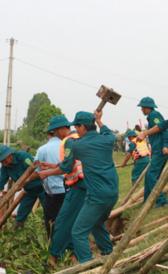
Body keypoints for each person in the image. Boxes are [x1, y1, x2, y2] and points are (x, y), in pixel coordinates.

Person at [41, 111, 117, 263]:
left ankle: (87, 265)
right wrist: (100, 120)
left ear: (82, 126)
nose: (75, 129)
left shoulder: (76, 144)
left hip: (96, 195)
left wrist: (47, 173)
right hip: (113, 193)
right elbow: (107, 132)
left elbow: (67, 168)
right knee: (97, 223)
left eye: (76, 126)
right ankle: (108, 253)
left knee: (78, 232)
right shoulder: (108, 140)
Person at [0, 145, 46, 230]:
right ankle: (17, 235)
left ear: (9, 156)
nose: (2, 163)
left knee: (48, 212)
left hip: (43, 188)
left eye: (2, 160)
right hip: (29, 191)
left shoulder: (23, 156)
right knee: (20, 215)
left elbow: (36, 172)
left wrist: (23, 183)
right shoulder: (5, 168)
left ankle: (50, 236)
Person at [32, 119, 67, 238]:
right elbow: (66, 165)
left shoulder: (43, 149)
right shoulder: (67, 145)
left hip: (54, 192)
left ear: (48, 134)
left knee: (51, 221)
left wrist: (25, 181)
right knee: (67, 219)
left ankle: (54, 247)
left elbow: (35, 171)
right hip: (70, 190)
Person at [135, 97, 168, 207]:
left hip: (161, 149)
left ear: (147, 107)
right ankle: (148, 202)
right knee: (150, 175)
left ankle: (161, 201)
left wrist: (165, 145)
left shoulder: (154, 116)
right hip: (157, 149)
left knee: (151, 175)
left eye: (142, 107)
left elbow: (164, 129)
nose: (141, 110)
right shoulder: (151, 117)